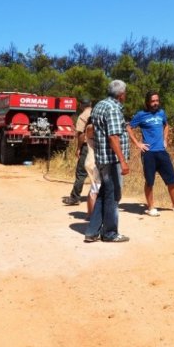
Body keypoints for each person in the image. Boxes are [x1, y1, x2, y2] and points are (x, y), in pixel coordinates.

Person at [127, 91, 174, 216]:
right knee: (149, 181)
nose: (155, 103)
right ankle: (151, 208)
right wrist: (138, 144)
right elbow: (128, 127)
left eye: (157, 100)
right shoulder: (141, 115)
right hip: (148, 153)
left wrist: (165, 139)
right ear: (147, 102)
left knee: (171, 179)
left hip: (161, 151)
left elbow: (166, 125)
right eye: (152, 101)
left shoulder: (162, 113)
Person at [84, 80, 130, 243]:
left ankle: (92, 231)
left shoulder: (100, 105)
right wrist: (123, 161)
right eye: (125, 92)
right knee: (113, 196)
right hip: (112, 161)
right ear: (121, 94)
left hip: (102, 158)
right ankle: (110, 233)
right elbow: (113, 137)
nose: (125, 95)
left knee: (104, 194)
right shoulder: (113, 108)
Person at [62, 98, 92, 206]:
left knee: (81, 173)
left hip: (87, 146)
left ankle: (75, 197)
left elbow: (81, 134)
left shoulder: (83, 116)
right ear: (90, 104)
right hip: (99, 147)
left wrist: (78, 148)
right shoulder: (97, 113)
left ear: (81, 105)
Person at [83, 117, 100, 220]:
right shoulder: (90, 127)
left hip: (92, 161)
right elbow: (92, 128)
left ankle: (90, 214)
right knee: (95, 189)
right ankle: (93, 216)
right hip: (93, 162)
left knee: (93, 189)